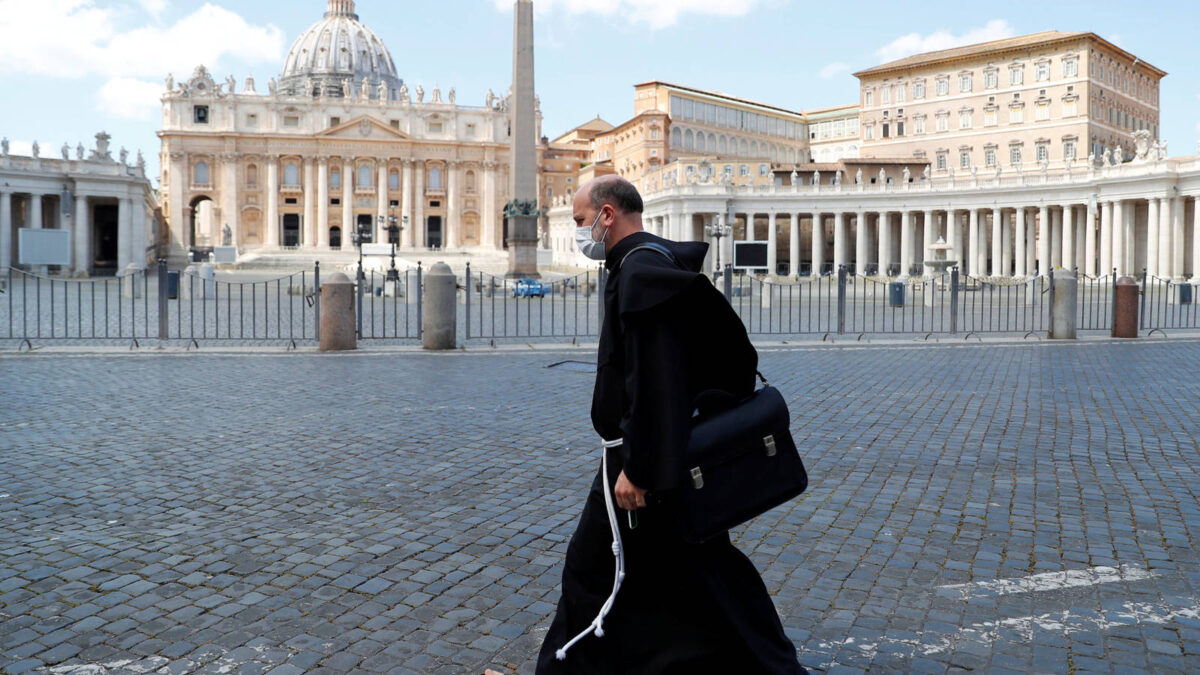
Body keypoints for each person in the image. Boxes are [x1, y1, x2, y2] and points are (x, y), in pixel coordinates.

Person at [530, 175, 808, 673]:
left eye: (579, 221)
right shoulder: (651, 260)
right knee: (698, 567)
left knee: (591, 570)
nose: (579, 232)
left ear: (607, 215)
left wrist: (638, 468)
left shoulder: (640, 273)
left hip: (643, 455)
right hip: (660, 450)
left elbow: (658, 379)